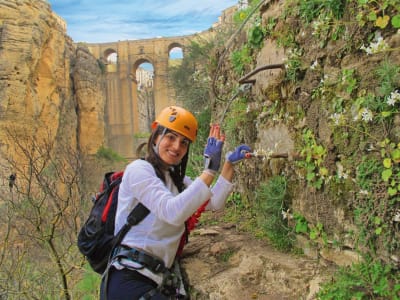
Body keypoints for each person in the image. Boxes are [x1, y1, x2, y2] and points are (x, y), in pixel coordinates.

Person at [100, 106, 251, 299]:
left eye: (184, 142)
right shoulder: (138, 170)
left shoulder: (176, 181)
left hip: (156, 280)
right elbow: (171, 212)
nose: (177, 147)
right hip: (129, 279)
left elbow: (214, 203)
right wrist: (209, 171)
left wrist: (228, 165)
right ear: (156, 136)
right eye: (170, 137)